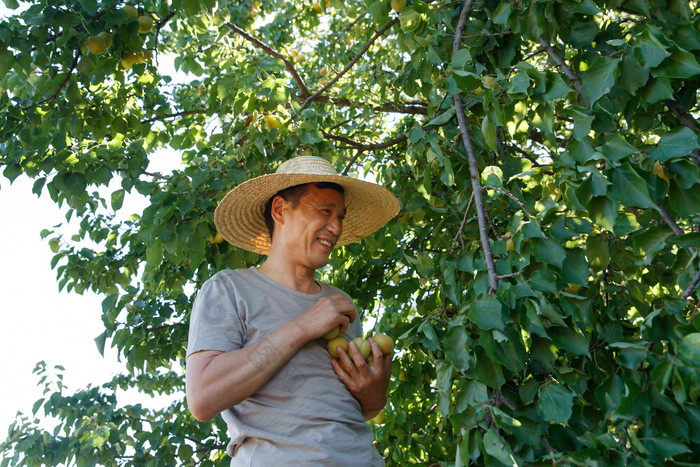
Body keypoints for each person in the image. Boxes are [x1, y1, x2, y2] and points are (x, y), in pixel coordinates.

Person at [185, 155, 400, 465]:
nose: (336, 226)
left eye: (340, 215)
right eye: (325, 211)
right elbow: (203, 398)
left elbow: (354, 409)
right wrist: (303, 327)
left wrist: (373, 395)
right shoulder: (229, 288)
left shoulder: (341, 304)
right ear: (280, 210)